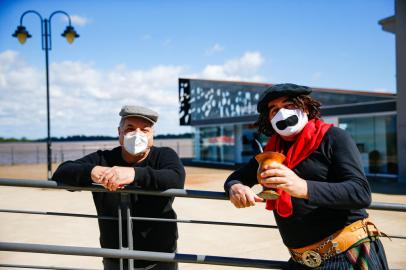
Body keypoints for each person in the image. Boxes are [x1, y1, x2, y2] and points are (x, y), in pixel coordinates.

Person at [224, 83, 389, 269]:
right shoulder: (270, 153)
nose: (282, 113)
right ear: (268, 119)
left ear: (306, 107)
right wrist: (236, 187)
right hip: (301, 261)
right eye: (274, 110)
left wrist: (303, 187)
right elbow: (237, 177)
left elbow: (360, 192)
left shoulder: (334, 137)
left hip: (348, 255)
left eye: (289, 106)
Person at [52, 105, 185, 270]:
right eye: (130, 128)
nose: (137, 135)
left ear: (152, 136)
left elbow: (176, 178)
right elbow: (62, 172)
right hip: (115, 257)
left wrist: (134, 174)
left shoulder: (164, 155)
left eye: (145, 130)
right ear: (119, 133)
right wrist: (92, 171)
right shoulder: (103, 159)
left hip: (160, 257)